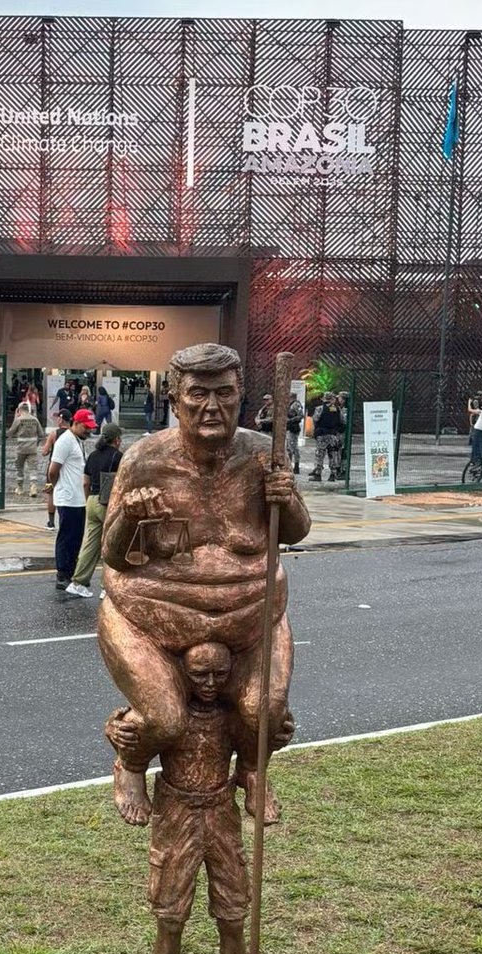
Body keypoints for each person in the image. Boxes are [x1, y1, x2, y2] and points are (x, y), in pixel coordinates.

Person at [97, 341, 310, 828]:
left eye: (224, 393)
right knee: (162, 719)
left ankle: (253, 769)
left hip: (251, 619)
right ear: (175, 401)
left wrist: (286, 497)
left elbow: (295, 531)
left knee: (266, 713)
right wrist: (131, 516)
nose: (212, 406)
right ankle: (130, 763)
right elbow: (112, 554)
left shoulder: (263, 454)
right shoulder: (144, 460)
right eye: (198, 394)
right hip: (153, 619)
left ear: (239, 396)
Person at [105, 642, 262, 954]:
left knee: (233, 917)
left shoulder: (232, 715)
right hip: (176, 817)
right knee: (171, 920)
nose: (209, 684)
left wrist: (265, 767)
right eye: (199, 675)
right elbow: (128, 739)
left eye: (219, 675)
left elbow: (255, 755)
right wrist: (116, 732)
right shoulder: (166, 716)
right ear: (182, 673)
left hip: (221, 816)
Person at [65, 423, 123, 599]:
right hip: (108, 504)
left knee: (91, 544)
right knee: (111, 546)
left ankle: (77, 583)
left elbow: (85, 482)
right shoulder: (118, 456)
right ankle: (106, 587)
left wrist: (89, 499)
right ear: (117, 439)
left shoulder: (93, 455)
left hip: (91, 500)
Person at [46, 406, 96, 589]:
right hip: (67, 497)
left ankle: (71, 571)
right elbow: (53, 471)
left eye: (90, 428)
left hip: (78, 497)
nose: (88, 431)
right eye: (86, 427)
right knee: (66, 537)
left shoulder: (77, 440)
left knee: (76, 538)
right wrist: (58, 486)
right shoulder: (65, 441)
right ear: (76, 423)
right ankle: (62, 574)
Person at [41, 408, 73, 529]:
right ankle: (64, 520)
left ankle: (51, 522)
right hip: (68, 467)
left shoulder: (54, 434)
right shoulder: (73, 434)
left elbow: (44, 452)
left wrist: (49, 447)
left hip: (54, 466)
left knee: (51, 492)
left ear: (60, 419)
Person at [6, 400, 44, 498]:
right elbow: (41, 434)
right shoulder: (35, 420)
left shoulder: (18, 420)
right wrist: (36, 444)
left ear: (19, 410)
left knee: (19, 468)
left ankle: (20, 488)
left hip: (21, 449)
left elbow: (10, 433)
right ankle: (33, 487)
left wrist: (15, 417)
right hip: (32, 449)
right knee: (33, 468)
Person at [308, 393, 344, 481]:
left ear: (324, 399)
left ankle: (318, 474)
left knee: (320, 455)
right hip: (333, 435)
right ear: (332, 399)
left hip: (322, 435)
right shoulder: (337, 409)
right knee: (333, 454)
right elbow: (342, 421)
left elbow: (315, 419)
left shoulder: (319, 408)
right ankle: (332, 474)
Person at [286, 391, 304, 475]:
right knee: (288, 448)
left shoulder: (296, 404)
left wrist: (290, 420)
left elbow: (301, 415)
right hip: (289, 427)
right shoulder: (290, 404)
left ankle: (296, 466)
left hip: (293, 427)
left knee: (294, 447)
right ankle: (288, 465)